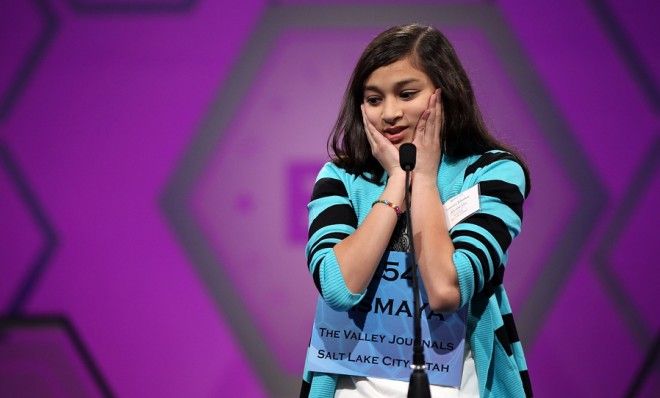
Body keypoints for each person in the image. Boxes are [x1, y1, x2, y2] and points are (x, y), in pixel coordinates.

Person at [301, 24, 532, 398]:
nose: (389, 113)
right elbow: (339, 288)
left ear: (446, 92)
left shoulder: (491, 173)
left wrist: (423, 178)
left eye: (406, 94)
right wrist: (396, 182)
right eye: (374, 99)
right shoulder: (341, 176)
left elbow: (445, 289)